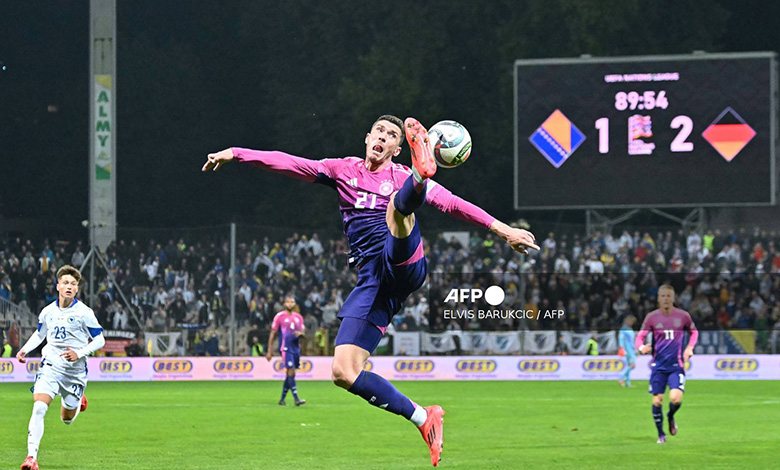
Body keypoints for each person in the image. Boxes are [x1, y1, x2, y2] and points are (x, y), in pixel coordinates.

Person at [203, 115, 538, 466]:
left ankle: (421, 176)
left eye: (393, 135)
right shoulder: (341, 170)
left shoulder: (396, 176)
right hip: (373, 283)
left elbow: (454, 204)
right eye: (380, 131)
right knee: (343, 372)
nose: (384, 136)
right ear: (367, 138)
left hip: (404, 262)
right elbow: (288, 162)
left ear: (398, 148)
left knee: (398, 209)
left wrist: (503, 230)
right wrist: (236, 153)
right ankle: (425, 419)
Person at [16, 265, 106, 470]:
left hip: (75, 371)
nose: (69, 286)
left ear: (76, 289)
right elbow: (40, 334)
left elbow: (99, 340)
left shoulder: (85, 312)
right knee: (39, 407)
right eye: (65, 282)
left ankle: (78, 401)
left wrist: (79, 353)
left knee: (66, 419)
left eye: (73, 284)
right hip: (51, 365)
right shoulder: (48, 311)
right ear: (58, 286)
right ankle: (31, 458)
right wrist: (25, 349)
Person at [636, 284, 698, 444]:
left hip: (676, 365)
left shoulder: (683, 316)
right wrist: (641, 347)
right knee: (657, 401)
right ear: (658, 299)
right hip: (658, 367)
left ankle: (670, 416)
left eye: (668, 296)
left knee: (675, 399)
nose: (666, 299)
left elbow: (694, 332)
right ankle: (661, 434)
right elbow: (640, 336)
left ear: (673, 298)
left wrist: (690, 348)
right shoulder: (652, 317)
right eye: (663, 296)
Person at [266, 296, 306, 406]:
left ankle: (282, 399)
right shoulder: (280, 316)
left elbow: (303, 331)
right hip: (285, 347)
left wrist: (301, 334)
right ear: (284, 304)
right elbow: (273, 333)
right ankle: (296, 398)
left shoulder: (298, 317)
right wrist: (269, 350)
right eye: (287, 302)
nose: (290, 304)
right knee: (291, 371)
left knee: (290, 374)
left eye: (292, 302)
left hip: (296, 348)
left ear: (295, 304)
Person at [617, 315, 636, 387]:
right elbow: (621, 339)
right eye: (631, 321)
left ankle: (628, 383)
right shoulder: (624, 329)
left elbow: (631, 340)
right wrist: (621, 347)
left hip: (630, 348)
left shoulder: (629, 329)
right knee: (633, 365)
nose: (632, 323)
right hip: (628, 350)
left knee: (629, 365)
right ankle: (621, 378)